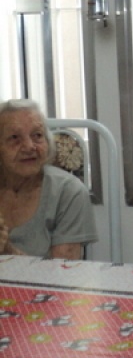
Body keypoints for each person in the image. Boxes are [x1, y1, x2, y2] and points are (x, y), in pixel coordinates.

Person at [0, 99, 98, 259]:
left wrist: (6, 250)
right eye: (14, 138)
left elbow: (63, 275)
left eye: (37, 135)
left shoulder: (68, 192)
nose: (29, 146)